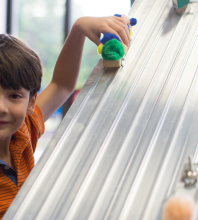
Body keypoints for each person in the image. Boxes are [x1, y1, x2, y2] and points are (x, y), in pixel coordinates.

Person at [0, 14, 131, 218]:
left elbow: (61, 85)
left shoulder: (23, 132)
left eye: (14, 96)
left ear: (30, 103)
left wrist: (79, 29)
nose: (2, 108)